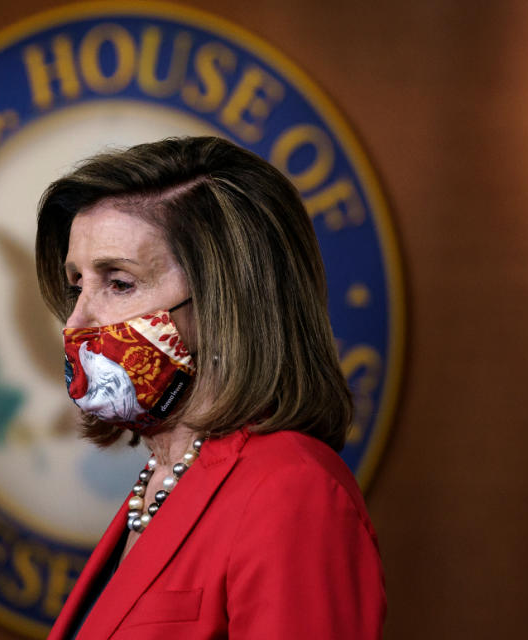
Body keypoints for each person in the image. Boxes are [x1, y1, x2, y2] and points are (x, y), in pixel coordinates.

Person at [36, 136, 385, 639]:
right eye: (77, 285)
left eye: (119, 283)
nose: (76, 320)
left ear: (226, 303)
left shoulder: (292, 491)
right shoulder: (165, 478)